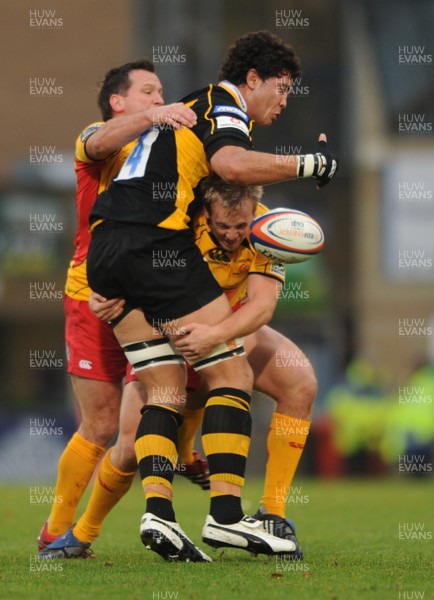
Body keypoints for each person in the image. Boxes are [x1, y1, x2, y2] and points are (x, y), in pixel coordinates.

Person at [83, 30, 337, 563]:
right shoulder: (224, 104)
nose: (285, 100)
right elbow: (231, 165)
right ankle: (225, 518)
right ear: (252, 80)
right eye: (282, 87)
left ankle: (160, 515)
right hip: (155, 244)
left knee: (165, 387)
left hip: (106, 249)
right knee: (233, 374)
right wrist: (310, 166)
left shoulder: (189, 111)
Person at [40, 175, 316, 561]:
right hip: (163, 327)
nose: (233, 235)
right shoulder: (177, 224)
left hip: (226, 329)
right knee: (128, 445)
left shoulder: (266, 230)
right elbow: (130, 259)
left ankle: (272, 512)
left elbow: (261, 307)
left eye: (241, 225)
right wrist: (105, 294)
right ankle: (80, 533)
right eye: (223, 226)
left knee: (300, 381)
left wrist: (214, 333)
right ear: (206, 211)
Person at [37, 59, 202, 553]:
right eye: (148, 92)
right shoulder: (100, 137)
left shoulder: (167, 151)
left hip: (148, 294)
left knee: (134, 437)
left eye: (161, 93)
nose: (158, 99)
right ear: (118, 101)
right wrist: (158, 115)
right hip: (90, 293)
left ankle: (88, 532)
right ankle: (53, 534)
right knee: (101, 425)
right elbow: (97, 143)